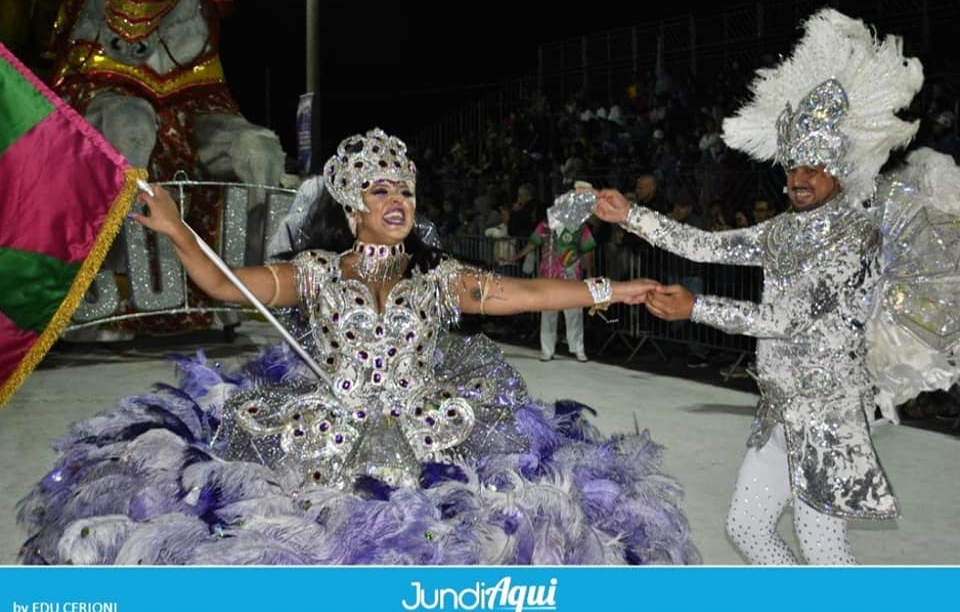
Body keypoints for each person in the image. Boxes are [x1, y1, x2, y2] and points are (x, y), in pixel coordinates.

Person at [17, 128, 700, 566]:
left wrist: (612, 289)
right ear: (352, 207)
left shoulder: (439, 276)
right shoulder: (315, 271)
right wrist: (174, 227)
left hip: (428, 430)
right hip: (325, 435)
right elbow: (227, 287)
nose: (396, 197)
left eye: (403, 187)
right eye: (380, 189)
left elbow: (527, 293)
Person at [595, 9, 928, 564]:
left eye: (815, 167)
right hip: (777, 408)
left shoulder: (855, 237)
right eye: (794, 164)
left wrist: (697, 306)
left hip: (826, 416)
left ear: (840, 169)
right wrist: (632, 215)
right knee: (746, 528)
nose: (800, 177)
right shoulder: (781, 230)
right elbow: (707, 246)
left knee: (824, 550)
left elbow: (787, 319)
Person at [511, 182, 596, 362]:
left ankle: (578, 349)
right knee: (548, 313)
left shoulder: (579, 225)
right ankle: (547, 350)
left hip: (570, 275)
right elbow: (533, 243)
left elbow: (588, 249)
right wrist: (517, 256)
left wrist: (590, 272)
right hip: (548, 276)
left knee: (573, 312)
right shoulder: (545, 224)